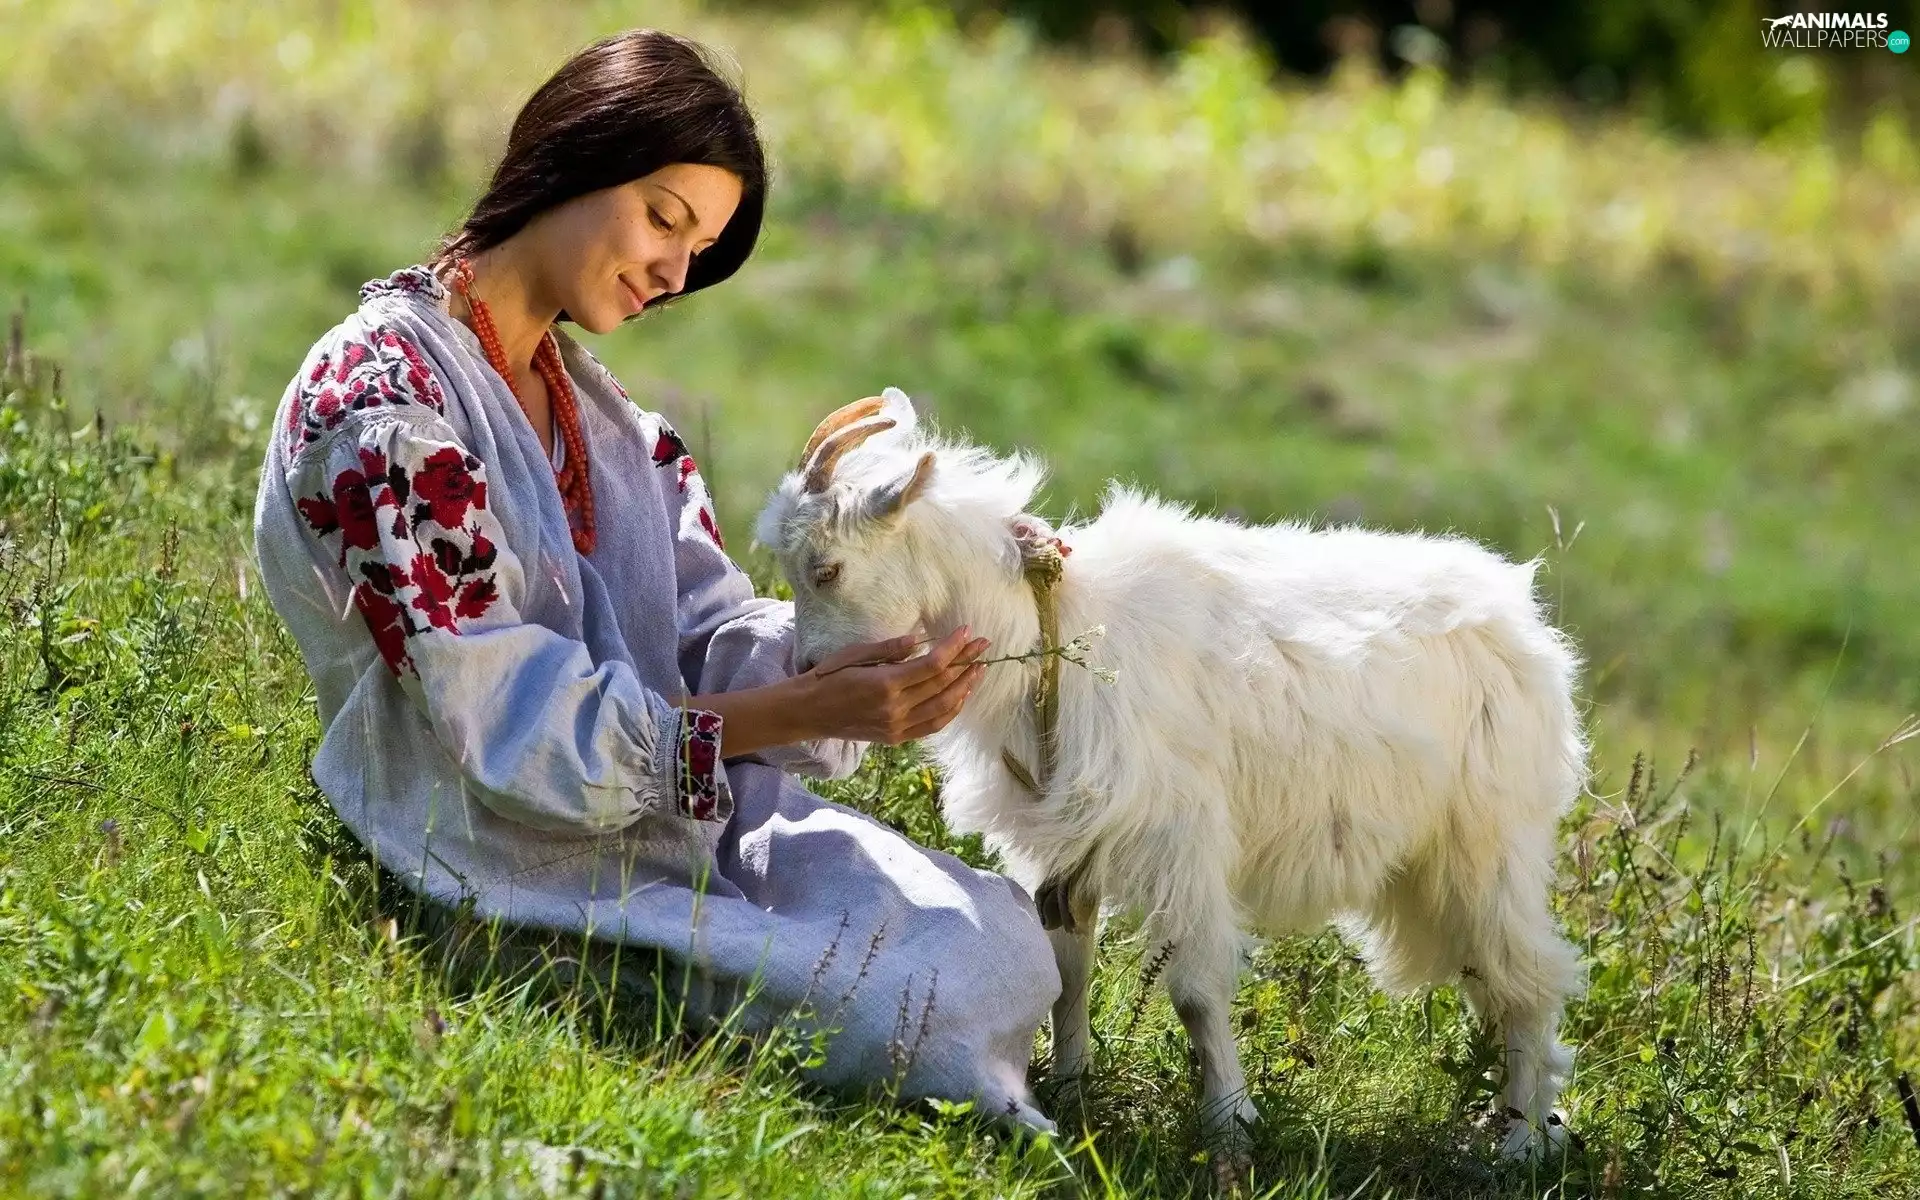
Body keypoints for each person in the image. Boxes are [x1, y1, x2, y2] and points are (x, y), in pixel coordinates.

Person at [250, 28, 1058, 1126]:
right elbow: (501, 725)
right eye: (664, 218)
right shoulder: (384, 405)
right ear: (575, 154)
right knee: (917, 1003)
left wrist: (844, 652)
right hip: (491, 856)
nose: (676, 272)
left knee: (1005, 940)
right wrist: (790, 712)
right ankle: (562, 971)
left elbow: (709, 629)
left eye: (700, 248)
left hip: (676, 827)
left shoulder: (614, 428)